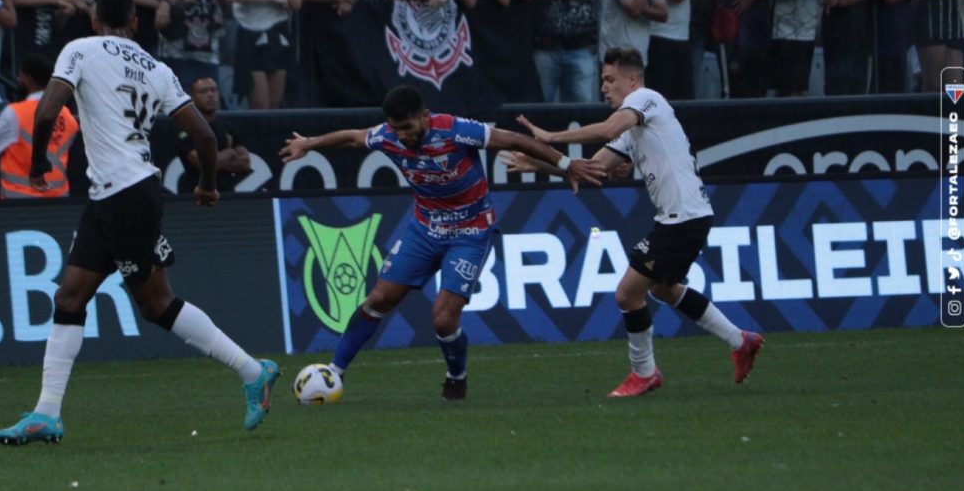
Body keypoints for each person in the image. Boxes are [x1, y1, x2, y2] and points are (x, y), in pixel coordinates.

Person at [0, 0, 281, 445]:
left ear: (94, 20)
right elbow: (205, 136)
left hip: (126, 194)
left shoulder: (81, 49)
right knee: (70, 297)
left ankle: (251, 371)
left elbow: (49, 106)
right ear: (135, 24)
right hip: (115, 194)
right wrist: (208, 183)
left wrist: (38, 161)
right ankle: (46, 413)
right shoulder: (157, 68)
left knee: (156, 303)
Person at [279, 84, 599, 400]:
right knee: (379, 298)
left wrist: (566, 164)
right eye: (396, 128)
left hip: (471, 232)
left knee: (443, 318)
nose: (402, 135)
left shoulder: (456, 131)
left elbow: (515, 139)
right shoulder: (387, 135)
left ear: (426, 117)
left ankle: (456, 376)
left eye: (407, 127)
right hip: (424, 230)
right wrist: (309, 143)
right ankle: (335, 371)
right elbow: (351, 136)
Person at [510, 47, 764, 398]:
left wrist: (551, 138)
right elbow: (595, 168)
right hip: (681, 218)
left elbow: (609, 128)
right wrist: (540, 165)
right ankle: (741, 341)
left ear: (632, 80)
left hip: (684, 219)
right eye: (602, 80)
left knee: (627, 294)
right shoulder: (632, 132)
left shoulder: (648, 99)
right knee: (662, 288)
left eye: (609, 79)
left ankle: (644, 373)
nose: (604, 87)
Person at [0, 52, 79, 197]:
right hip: (58, 201)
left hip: (19, 202)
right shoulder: (66, 114)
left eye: (20, 75)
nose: (18, 79)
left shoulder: (15, 113)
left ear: (29, 79)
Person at [176, 75, 249, 193]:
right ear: (192, 98)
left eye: (213, 90)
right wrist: (229, 152)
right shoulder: (186, 128)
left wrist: (216, 161)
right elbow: (202, 163)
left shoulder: (228, 127)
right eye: (203, 91)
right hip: (196, 195)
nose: (210, 95)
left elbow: (245, 163)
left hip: (228, 195)